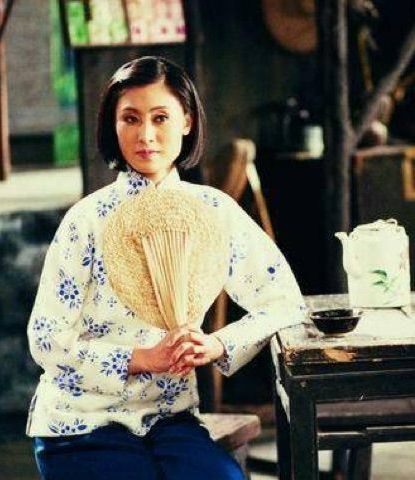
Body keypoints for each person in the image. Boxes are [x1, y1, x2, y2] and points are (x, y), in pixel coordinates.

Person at [26, 56, 306, 480]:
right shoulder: (86, 221)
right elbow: (46, 340)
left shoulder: (213, 212)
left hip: (169, 419)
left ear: (187, 122)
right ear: (113, 126)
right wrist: (142, 358)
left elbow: (285, 302)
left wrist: (218, 344)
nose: (146, 135)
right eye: (130, 119)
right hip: (79, 421)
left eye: (160, 118)